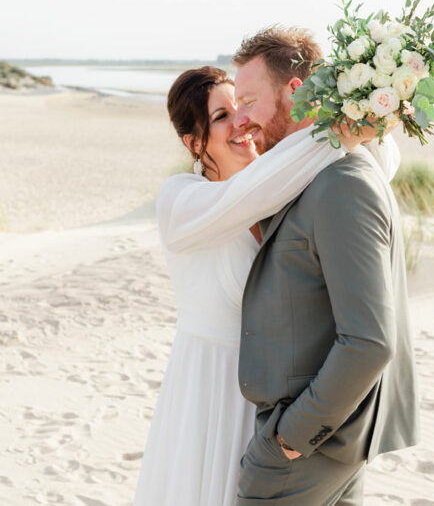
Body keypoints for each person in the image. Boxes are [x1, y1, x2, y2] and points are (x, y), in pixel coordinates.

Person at [133, 43, 401, 505]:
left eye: (242, 107)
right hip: (213, 388)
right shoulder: (182, 200)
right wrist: (338, 129)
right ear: (193, 142)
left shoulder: (280, 185)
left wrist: (360, 105)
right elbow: (255, 190)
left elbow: (377, 167)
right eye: (221, 117)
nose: (241, 121)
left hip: (279, 396)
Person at [232, 27, 420, 505]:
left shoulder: (342, 183)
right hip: (323, 445)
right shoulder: (310, 174)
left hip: (311, 447)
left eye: (250, 100)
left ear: (294, 91)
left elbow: (370, 341)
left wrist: (290, 438)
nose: (242, 119)